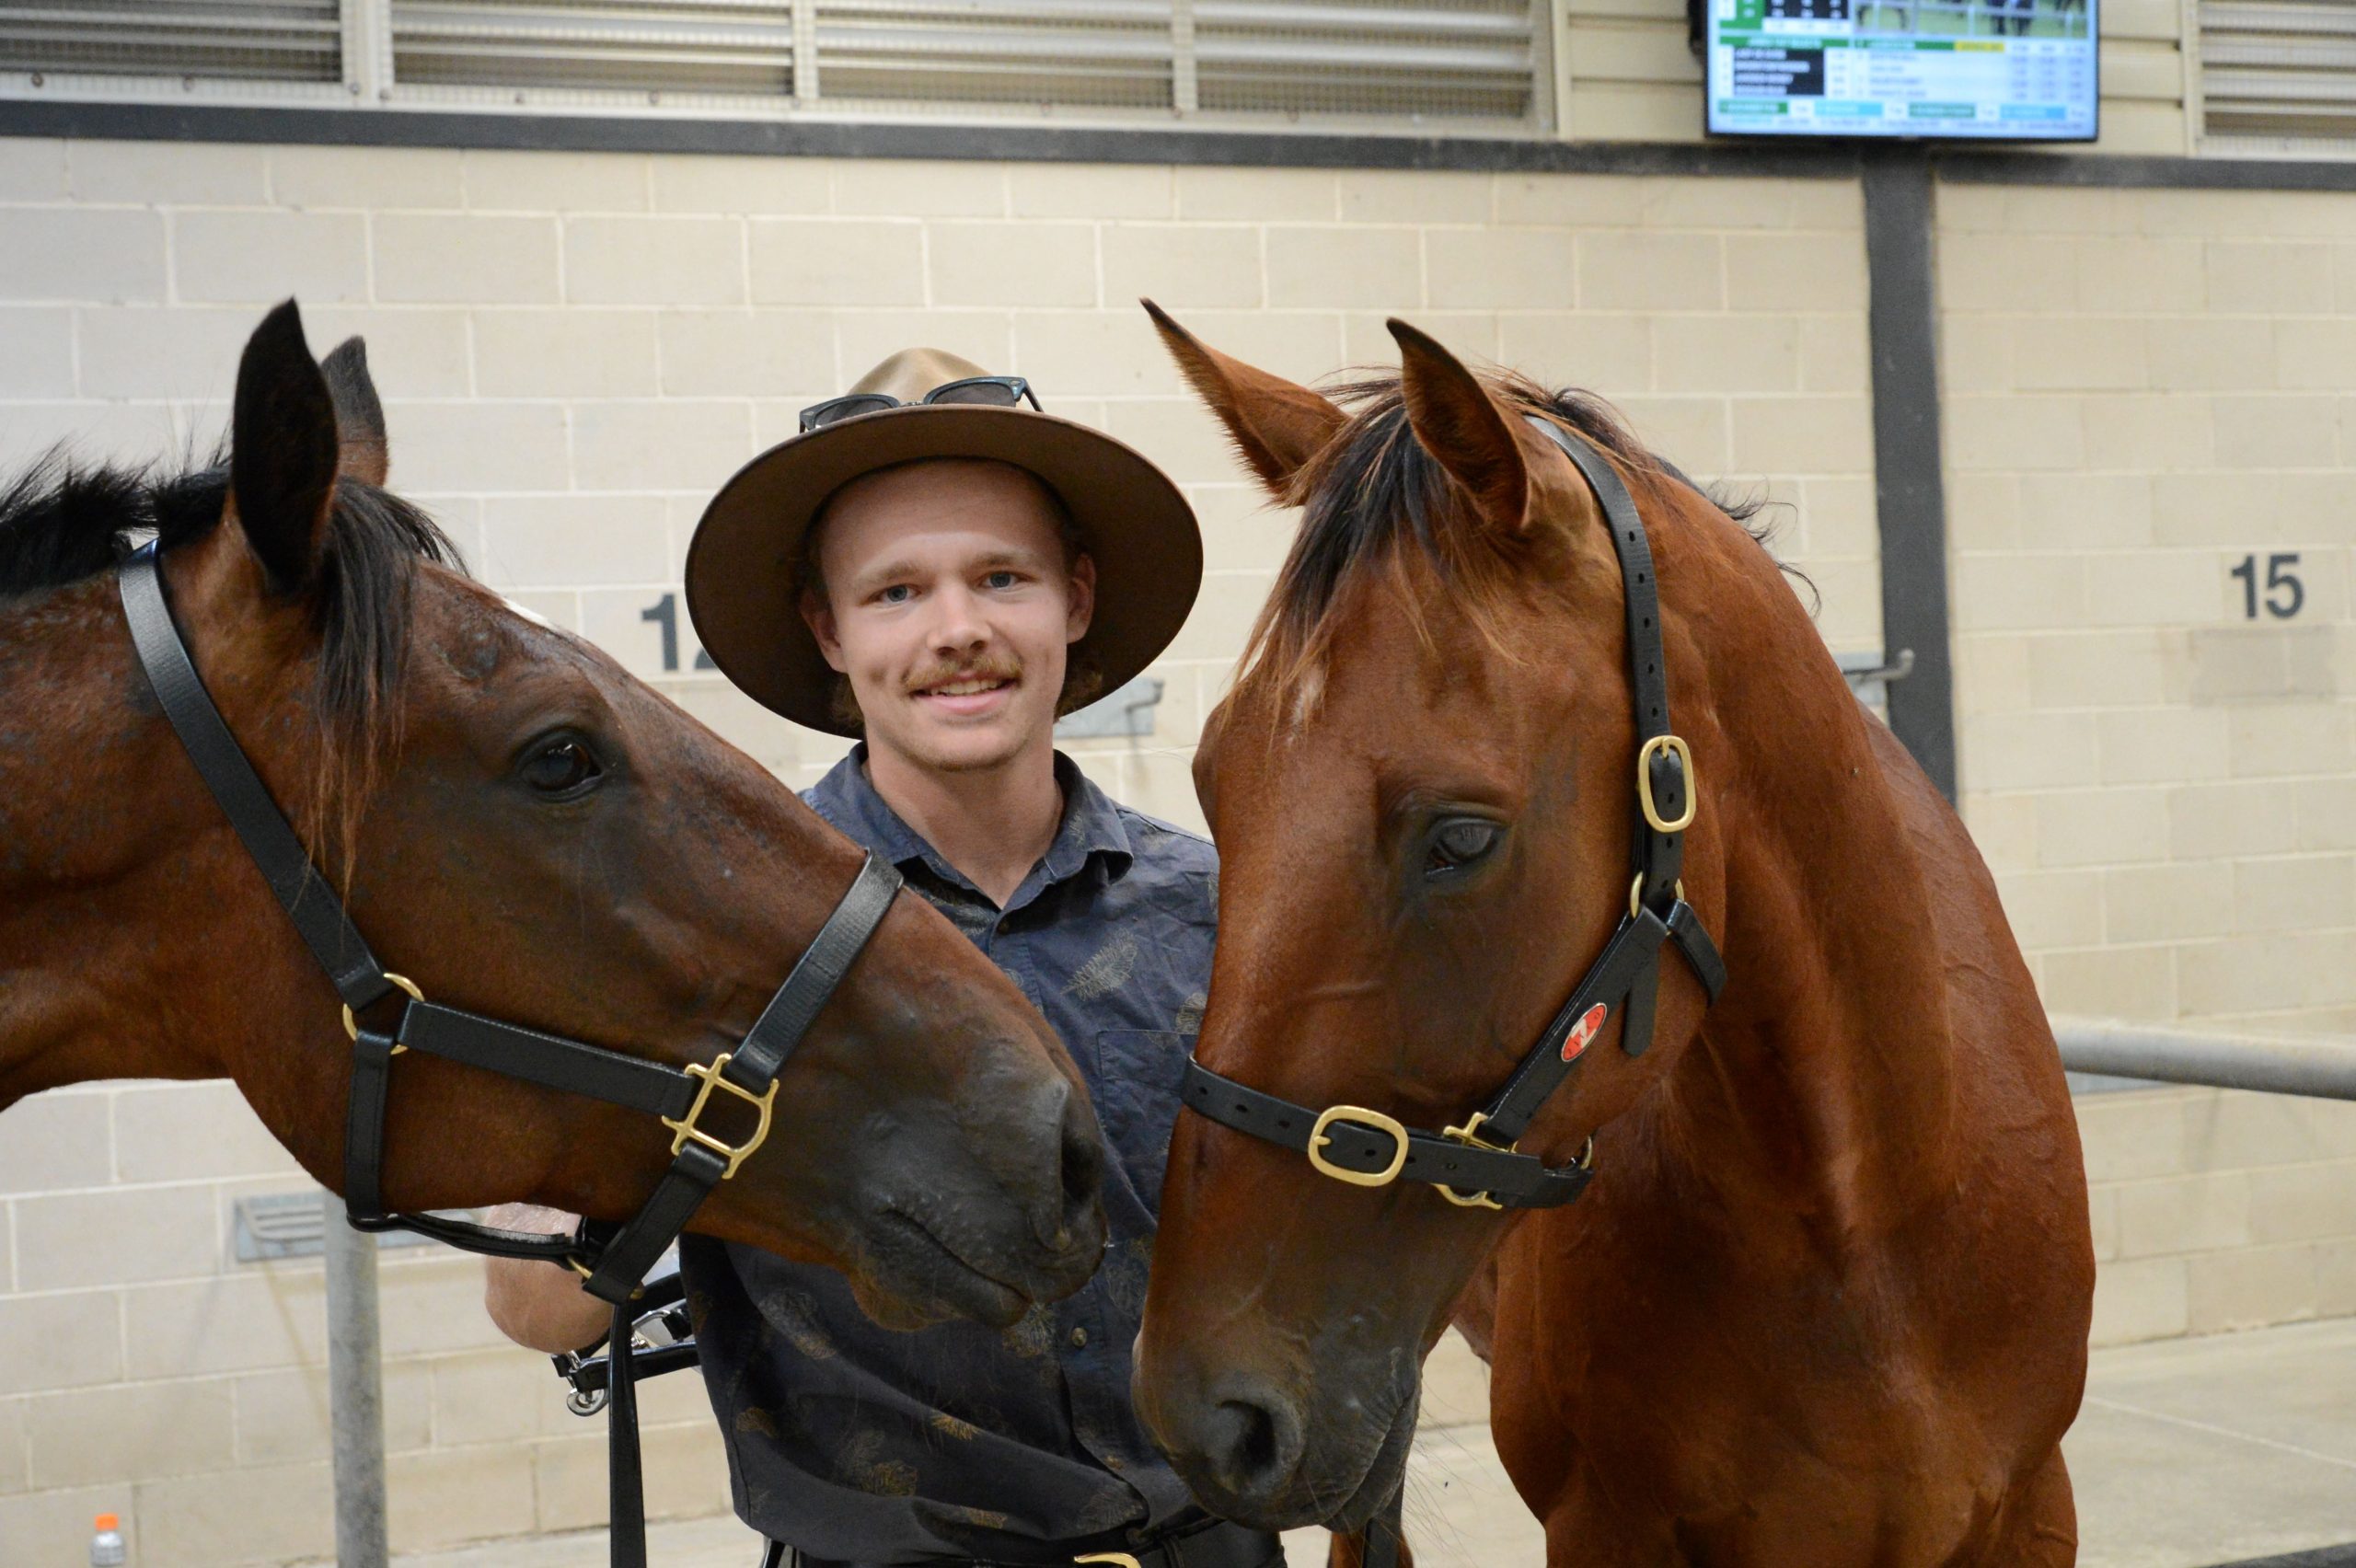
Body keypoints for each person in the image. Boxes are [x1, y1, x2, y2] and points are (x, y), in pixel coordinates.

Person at [482, 349, 1275, 1568]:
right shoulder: (717, 927)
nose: (956, 631)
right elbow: (538, 1306)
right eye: (896, 593)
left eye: (999, 578)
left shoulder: (1218, 915)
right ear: (829, 633)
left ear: (1074, 598)